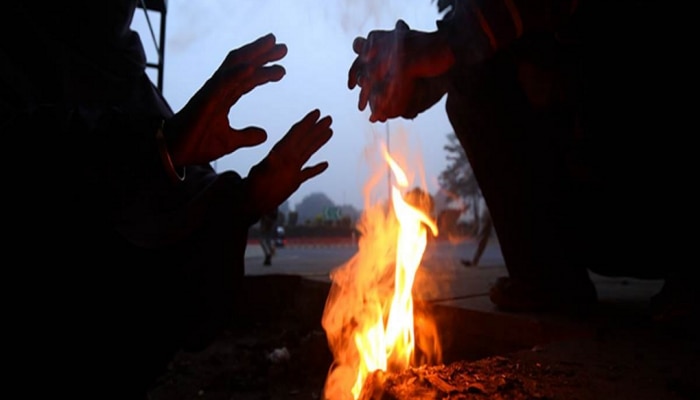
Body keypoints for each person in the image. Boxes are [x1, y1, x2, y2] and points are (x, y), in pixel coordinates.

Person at [2, 1, 332, 398]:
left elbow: (180, 226)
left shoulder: (130, 81)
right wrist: (159, 149)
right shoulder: (13, 53)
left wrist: (245, 199)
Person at [347, 0, 695, 322]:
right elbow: (489, 51)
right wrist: (420, 76)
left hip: (661, 209)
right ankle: (549, 278)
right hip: (607, 222)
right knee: (472, 91)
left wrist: (443, 46)